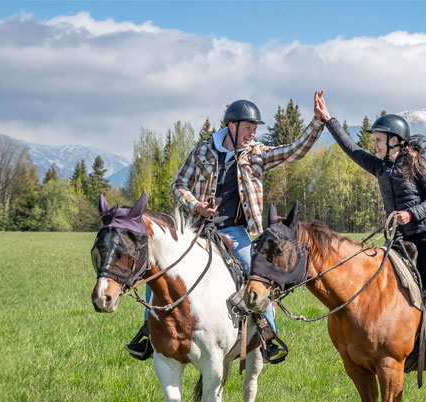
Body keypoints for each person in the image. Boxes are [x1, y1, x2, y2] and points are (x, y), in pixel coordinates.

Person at [126, 94, 326, 363]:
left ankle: (268, 334)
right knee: (160, 268)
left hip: (234, 231)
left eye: (255, 129)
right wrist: (196, 205)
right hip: (196, 229)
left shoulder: (256, 154)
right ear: (231, 126)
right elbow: (178, 184)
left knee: (257, 273)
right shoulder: (201, 152)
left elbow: (294, 151)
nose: (252, 133)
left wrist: (317, 122)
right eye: (248, 127)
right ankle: (149, 331)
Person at [314, 91, 426, 362]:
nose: (374, 145)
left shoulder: (418, 163)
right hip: (398, 240)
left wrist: (411, 214)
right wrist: (328, 121)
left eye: (378, 140)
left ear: (394, 141)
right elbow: (352, 149)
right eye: (373, 141)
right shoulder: (380, 167)